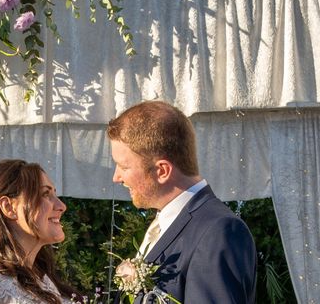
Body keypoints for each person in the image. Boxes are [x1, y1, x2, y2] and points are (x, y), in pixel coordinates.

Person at [108, 101, 257, 303]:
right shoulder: (166, 224)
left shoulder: (218, 232)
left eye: (124, 167)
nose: (116, 177)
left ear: (162, 171)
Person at [0, 159, 77, 304]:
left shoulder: (41, 279)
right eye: (45, 194)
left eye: (54, 194)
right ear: (9, 208)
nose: (62, 206)